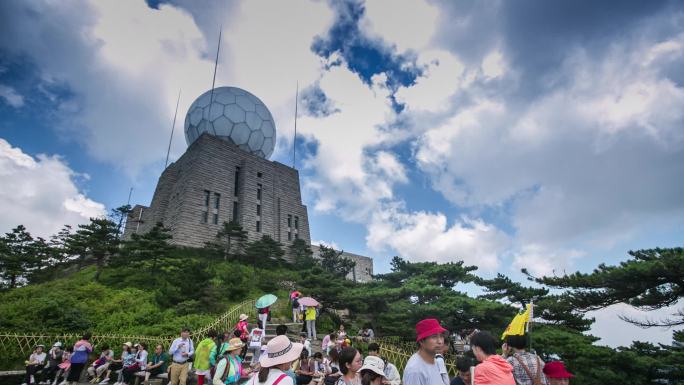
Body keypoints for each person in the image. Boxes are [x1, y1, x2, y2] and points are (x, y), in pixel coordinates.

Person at [402, 319, 449, 385]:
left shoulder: (434, 360)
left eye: (441, 336)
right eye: (434, 337)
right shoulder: (415, 370)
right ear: (421, 341)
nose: (440, 342)